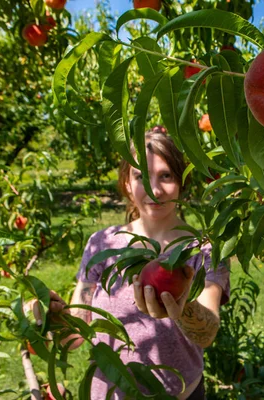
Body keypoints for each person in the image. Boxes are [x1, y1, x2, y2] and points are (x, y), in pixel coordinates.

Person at [45, 127, 230, 399]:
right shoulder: (102, 245)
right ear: (127, 184)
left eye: (165, 176)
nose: (155, 190)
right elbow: (74, 337)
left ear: (181, 182)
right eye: (141, 176)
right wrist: (52, 318)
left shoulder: (203, 250)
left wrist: (181, 310)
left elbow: (207, 334)